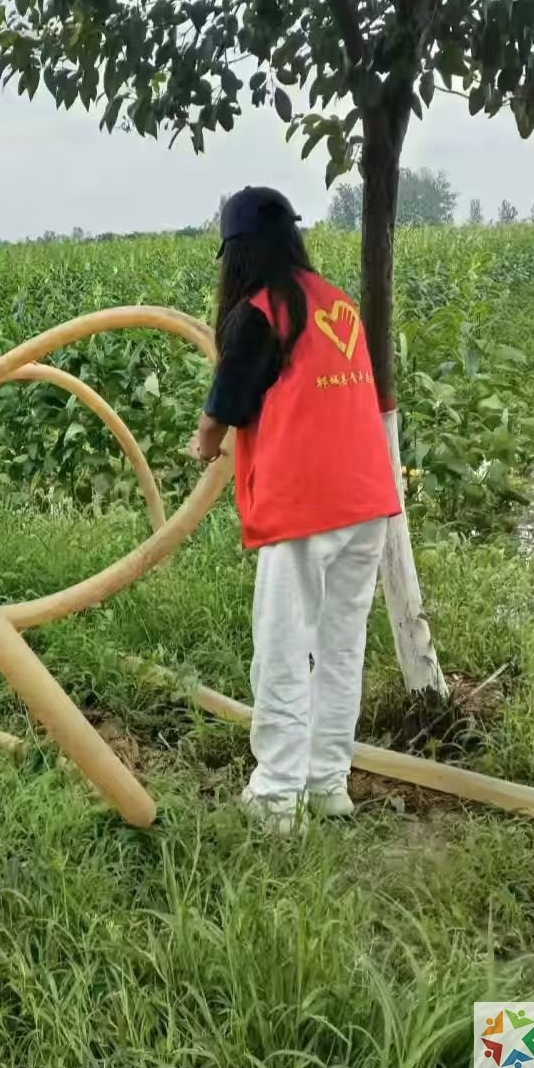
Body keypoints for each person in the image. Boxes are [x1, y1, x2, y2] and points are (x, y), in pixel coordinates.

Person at [191, 186, 401, 832]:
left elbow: (223, 408)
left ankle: (278, 799)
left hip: (305, 506)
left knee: (282, 649)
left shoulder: (260, 311)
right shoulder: (336, 303)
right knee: (342, 647)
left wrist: (203, 445)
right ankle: (328, 783)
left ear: (237, 252)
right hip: (366, 501)